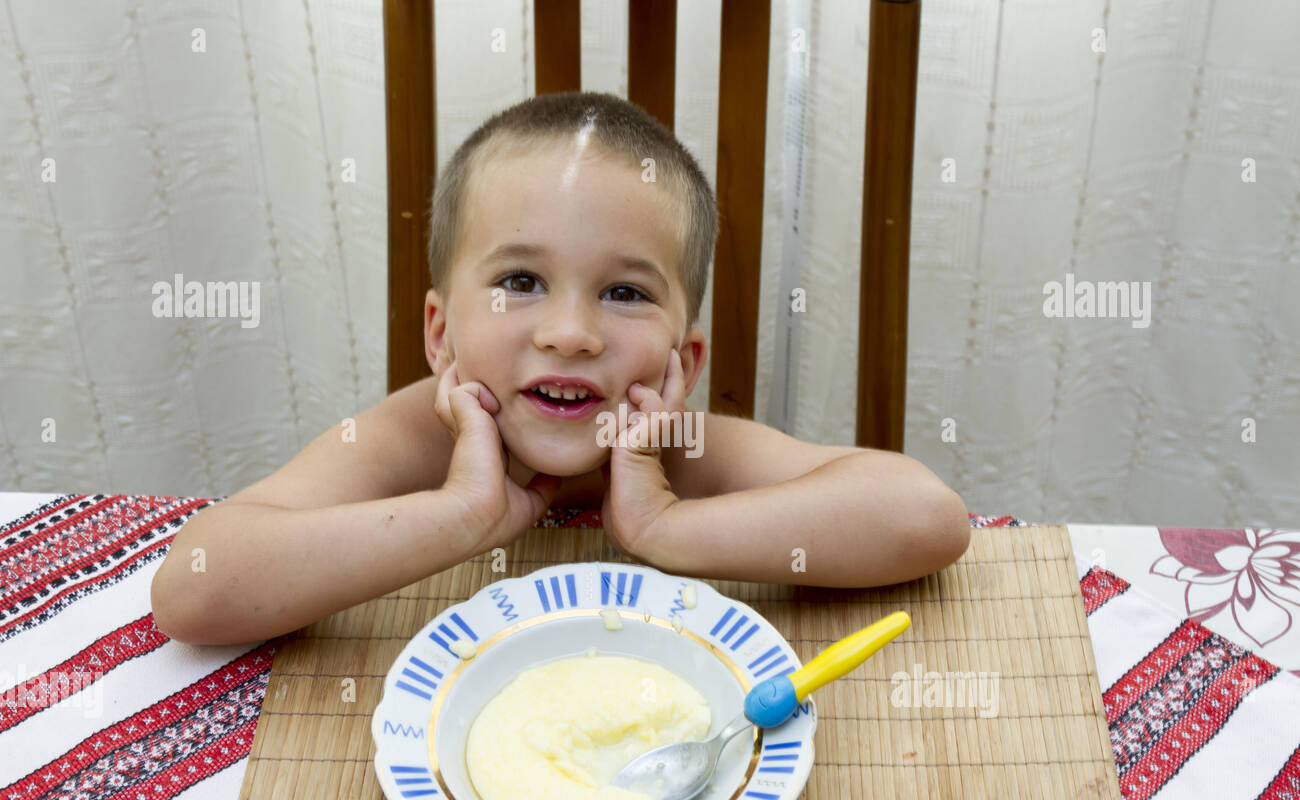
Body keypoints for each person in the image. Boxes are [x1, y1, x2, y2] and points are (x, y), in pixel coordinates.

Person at [151, 91, 970, 646]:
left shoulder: (682, 448)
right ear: (441, 335)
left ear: (684, 361)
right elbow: (194, 589)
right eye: (519, 283)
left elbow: (925, 517)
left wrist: (664, 526)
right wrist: (459, 516)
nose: (571, 334)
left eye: (623, 291)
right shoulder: (409, 437)